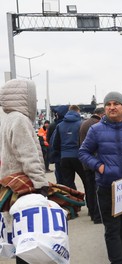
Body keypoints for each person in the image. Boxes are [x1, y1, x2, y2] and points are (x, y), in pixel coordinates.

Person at [79, 91, 122, 264]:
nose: (111, 107)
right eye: (108, 104)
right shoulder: (96, 130)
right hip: (106, 187)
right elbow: (83, 152)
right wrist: (99, 166)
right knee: (112, 229)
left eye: (115, 104)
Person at [0, 79, 50, 264]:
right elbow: (28, 156)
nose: (35, 102)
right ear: (24, 97)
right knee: (31, 240)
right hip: (25, 188)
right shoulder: (20, 120)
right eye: (33, 98)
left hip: (12, 188)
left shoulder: (8, 119)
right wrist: (40, 184)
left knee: (21, 239)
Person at [79, 107, 105, 224]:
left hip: (86, 162)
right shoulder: (97, 125)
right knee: (96, 189)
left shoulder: (84, 124)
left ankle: (91, 211)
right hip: (95, 162)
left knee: (89, 188)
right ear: (101, 114)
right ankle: (97, 215)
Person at [54, 105, 87, 190]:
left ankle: (73, 202)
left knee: (68, 183)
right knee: (87, 181)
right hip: (79, 156)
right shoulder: (81, 124)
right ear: (78, 111)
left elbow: (55, 143)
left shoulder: (60, 125)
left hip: (64, 157)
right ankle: (90, 201)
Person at [47, 105, 68, 185]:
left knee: (59, 177)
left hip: (57, 155)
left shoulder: (53, 125)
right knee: (68, 178)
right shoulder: (69, 124)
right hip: (67, 155)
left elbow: (49, 139)